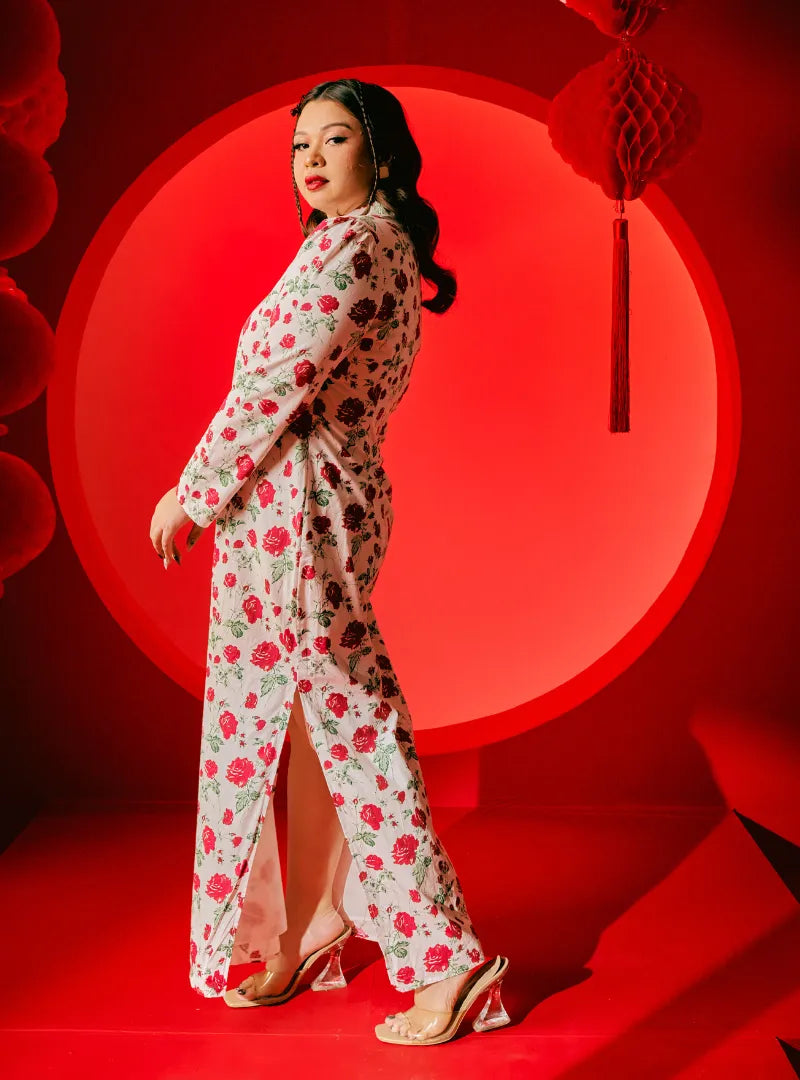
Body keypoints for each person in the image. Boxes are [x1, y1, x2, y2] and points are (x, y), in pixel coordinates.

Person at [149, 78, 510, 1046]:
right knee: (302, 727)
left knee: (349, 723)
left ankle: (444, 959)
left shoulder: (359, 252)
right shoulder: (336, 244)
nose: (309, 158)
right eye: (297, 143)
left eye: (334, 138)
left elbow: (275, 386)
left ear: (379, 153)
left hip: (301, 513)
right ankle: (310, 930)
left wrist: (191, 489)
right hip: (289, 511)